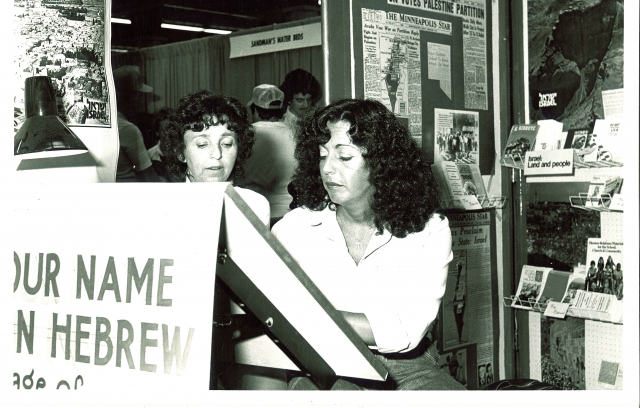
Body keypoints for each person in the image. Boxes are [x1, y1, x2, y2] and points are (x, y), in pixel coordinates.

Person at [272, 99, 465, 390]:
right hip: (322, 363)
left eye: (344, 157)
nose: (327, 168)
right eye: (323, 155)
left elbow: (407, 331)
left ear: (381, 164)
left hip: (409, 367)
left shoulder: (429, 229)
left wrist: (311, 314)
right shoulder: (295, 227)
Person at [161, 90, 285, 390]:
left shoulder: (255, 204)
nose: (216, 155)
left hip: (241, 332)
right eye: (202, 144)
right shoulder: (162, 205)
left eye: (227, 143)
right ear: (181, 152)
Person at [238, 84, 297, 226]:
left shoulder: (245, 136)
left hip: (254, 216)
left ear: (255, 110)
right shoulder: (296, 134)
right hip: (290, 215)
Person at [114, 66, 159, 182]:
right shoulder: (129, 129)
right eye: (138, 95)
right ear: (128, 96)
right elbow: (150, 179)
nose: (140, 100)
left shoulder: (108, 122)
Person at [147, 107, 173, 181]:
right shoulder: (149, 155)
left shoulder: (183, 154)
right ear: (157, 132)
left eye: (171, 130)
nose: (169, 134)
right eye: (165, 131)